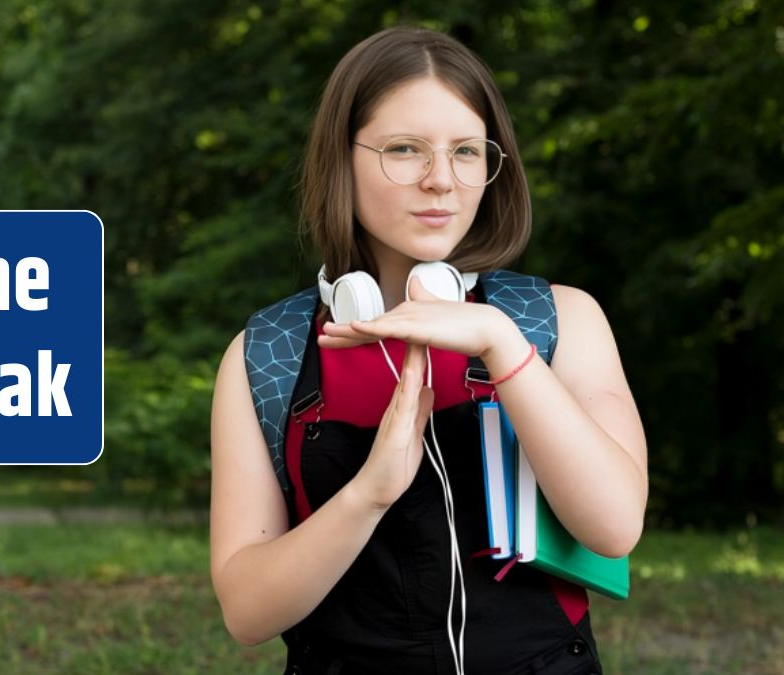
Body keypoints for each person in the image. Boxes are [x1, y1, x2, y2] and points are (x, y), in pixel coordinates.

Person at [209, 26, 648, 675]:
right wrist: (368, 493)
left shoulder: (560, 319)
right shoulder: (267, 354)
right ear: (342, 159)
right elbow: (247, 612)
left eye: (467, 151)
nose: (442, 180)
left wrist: (503, 346)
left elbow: (613, 528)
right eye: (405, 149)